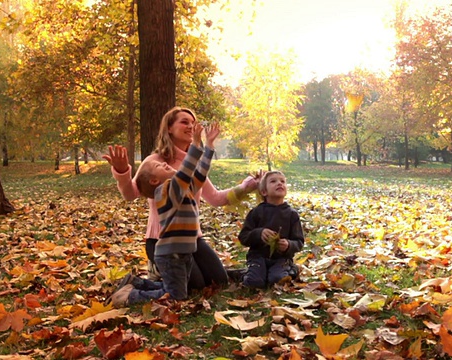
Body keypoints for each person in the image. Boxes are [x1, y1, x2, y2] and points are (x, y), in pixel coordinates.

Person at [102, 107, 260, 289]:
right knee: (195, 286)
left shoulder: (195, 162)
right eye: (184, 122)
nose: (190, 126)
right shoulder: (155, 162)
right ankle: (152, 274)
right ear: (169, 128)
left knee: (219, 281)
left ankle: (220, 271)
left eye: (193, 123)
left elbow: (215, 198)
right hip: (161, 241)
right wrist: (122, 171)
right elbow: (131, 194)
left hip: (191, 238)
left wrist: (245, 187)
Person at [109, 122, 219, 306]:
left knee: (180, 289)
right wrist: (196, 143)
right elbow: (186, 171)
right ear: (154, 180)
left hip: (184, 251)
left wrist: (209, 146)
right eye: (160, 167)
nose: (166, 166)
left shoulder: (182, 188)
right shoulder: (166, 191)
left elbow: (200, 173)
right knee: (176, 295)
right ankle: (130, 296)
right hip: (170, 253)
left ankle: (136, 282)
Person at [238, 171, 304, 288]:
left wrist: (288, 245)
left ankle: (291, 269)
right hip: (258, 256)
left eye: (282, 181)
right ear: (264, 192)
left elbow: (299, 242)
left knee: (277, 280)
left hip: (281, 259)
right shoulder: (256, 212)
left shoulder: (291, 214)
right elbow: (243, 237)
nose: (279, 183)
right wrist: (258, 233)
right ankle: (243, 274)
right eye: (273, 181)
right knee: (254, 282)